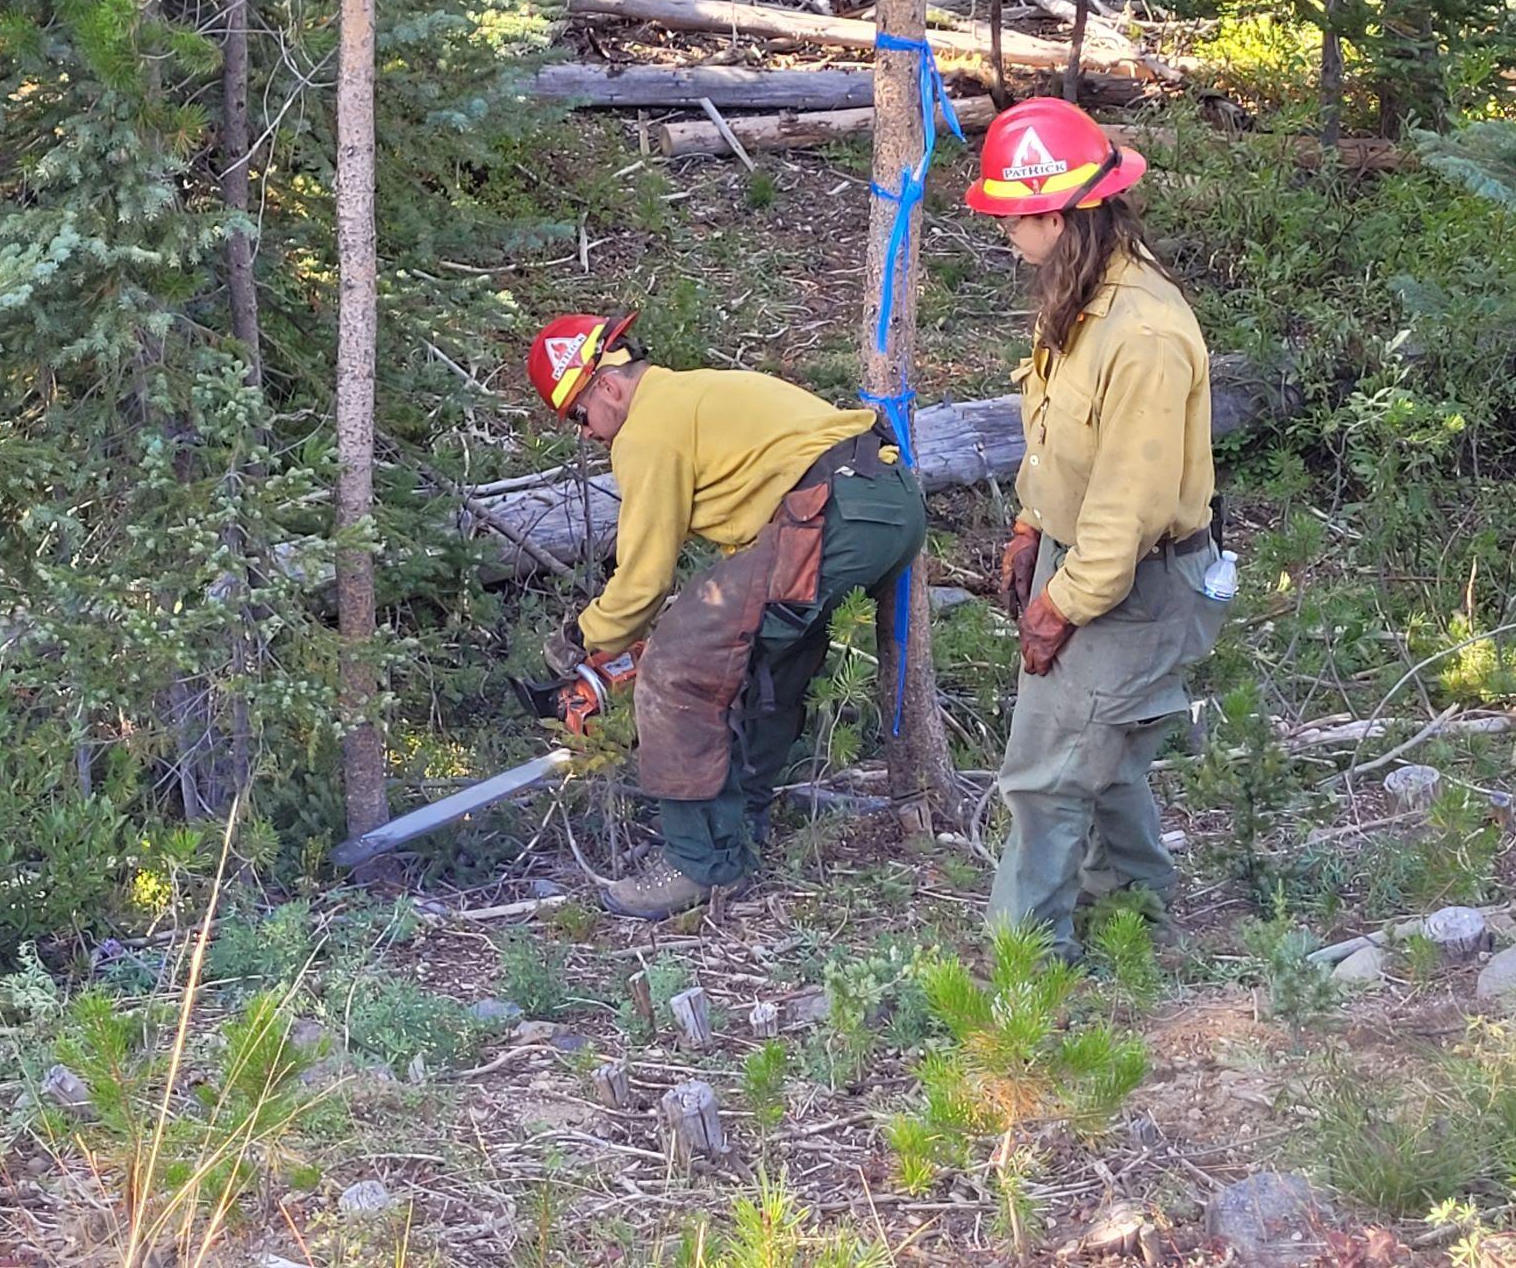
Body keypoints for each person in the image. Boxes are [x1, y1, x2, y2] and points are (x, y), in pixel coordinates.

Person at [526, 313, 927, 919]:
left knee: (675, 669)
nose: (585, 434)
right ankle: (741, 831)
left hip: (833, 513)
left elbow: (643, 579)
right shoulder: (691, 394)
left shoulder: (647, 431)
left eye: (579, 415)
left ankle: (695, 863)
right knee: (762, 660)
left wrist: (582, 639)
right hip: (882, 502)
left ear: (606, 386)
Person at [962, 97, 1229, 961]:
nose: (1005, 230)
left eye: (1014, 215)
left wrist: (1063, 605)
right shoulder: (1079, 298)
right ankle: (1138, 921)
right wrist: (1031, 526)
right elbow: (1063, 440)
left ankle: (1024, 968)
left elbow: (1127, 502)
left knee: (1045, 776)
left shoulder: (1142, 332)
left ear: (1059, 213)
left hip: (1129, 584)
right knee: (1103, 762)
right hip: (1083, 565)